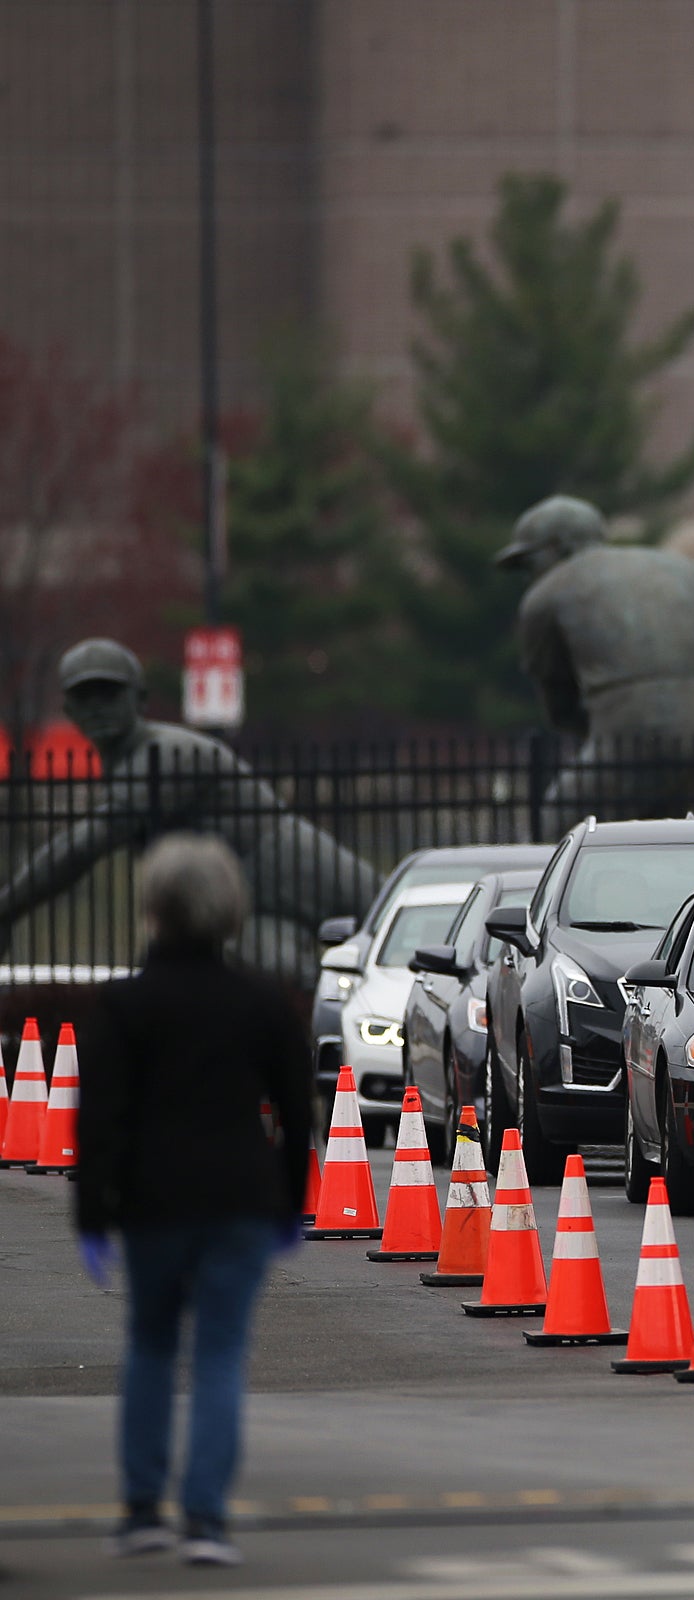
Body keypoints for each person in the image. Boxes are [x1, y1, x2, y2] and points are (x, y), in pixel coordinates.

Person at [74, 835, 316, 1567]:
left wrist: (92, 1216)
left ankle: (143, 1507)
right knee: (219, 1353)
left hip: (152, 1200)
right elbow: (297, 1110)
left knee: (149, 1345)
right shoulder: (262, 1001)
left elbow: (100, 1118)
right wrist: (288, 1204)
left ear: (152, 909)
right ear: (230, 911)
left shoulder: (122, 1004)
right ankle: (206, 1520)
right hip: (241, 1199)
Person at [0, 639, 378, 984]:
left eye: (109, 693)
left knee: (386, 934)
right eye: (85, 697)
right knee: (271, 972)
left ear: (140, 698)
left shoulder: (163, 754)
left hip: (295, 870)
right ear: (68, 708)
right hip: (250, 899)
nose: (97, 706)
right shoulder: (128, 762)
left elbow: (83, 847)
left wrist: (9, 906)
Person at [498, 496, 694, 832]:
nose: (528, 575)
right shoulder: (683, 568)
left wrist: (594, 728)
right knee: (671, 835)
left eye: (530, 561)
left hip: (628, 727)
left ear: (560, 546)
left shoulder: (546, 594)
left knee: (559, 822)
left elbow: (558, 707)